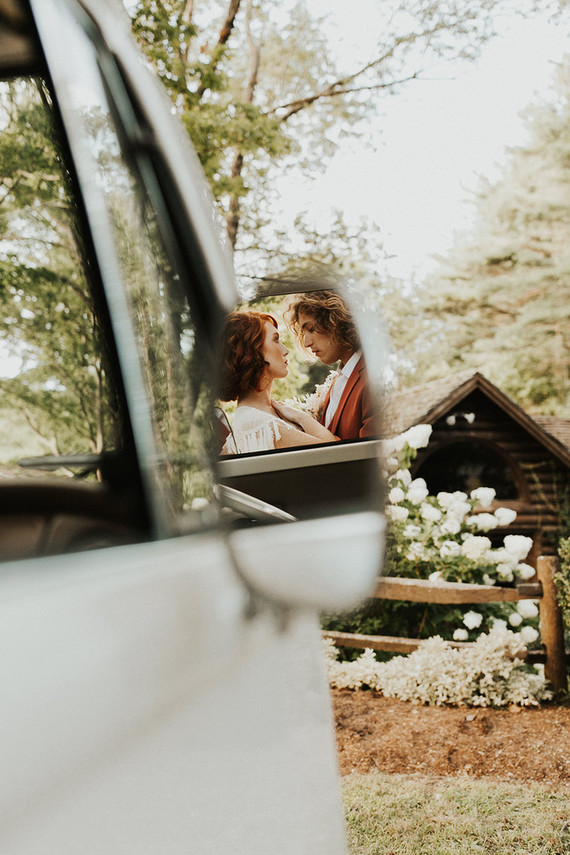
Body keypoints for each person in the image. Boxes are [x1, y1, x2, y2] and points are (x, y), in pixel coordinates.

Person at [219, 311, 339, 454]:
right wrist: (301, 417)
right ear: (252, 350)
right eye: (276, 340)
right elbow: (339, 455)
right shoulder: (258, 424)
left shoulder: (264, 414)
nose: (285, 350)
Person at [284, 290, 377, 440]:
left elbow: (368, 455)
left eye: (311, 329)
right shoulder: (338, 381)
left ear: (336, 321)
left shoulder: (372, 379)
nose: (307, 343)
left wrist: (303, 419)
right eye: (304, 333)